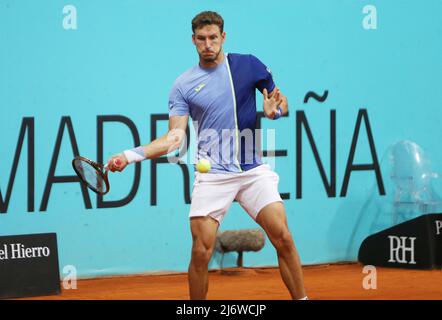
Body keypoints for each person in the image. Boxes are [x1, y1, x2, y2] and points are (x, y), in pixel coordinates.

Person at [107, 11, 307, 300]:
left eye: (213, 37)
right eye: (201, 39)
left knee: (284, 237)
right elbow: (175, 138)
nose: (208, 44)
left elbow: (281, 103)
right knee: (201, 250)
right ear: (193, 41)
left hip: (252, 171)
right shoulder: (183, 85)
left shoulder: (249, 65)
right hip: (213, 174)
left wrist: (275, 110)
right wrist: (130, 155)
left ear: (223, 37)